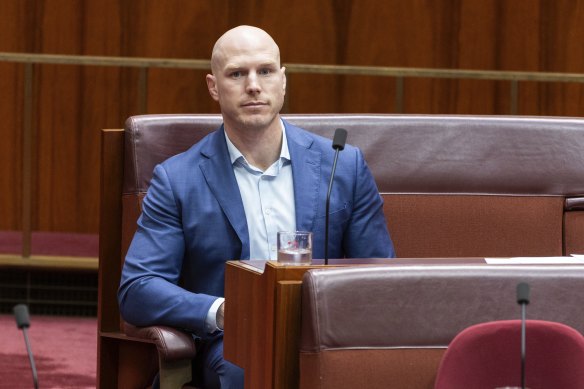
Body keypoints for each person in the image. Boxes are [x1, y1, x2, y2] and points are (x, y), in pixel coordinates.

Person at [118, 25, 395, 389]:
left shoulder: (342, 165)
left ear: (283, 81)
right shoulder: (177, 179)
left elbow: (380, 276)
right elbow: (138, 288)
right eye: (237, 73)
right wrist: (221, 312)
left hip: (329, 334)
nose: (253, 85)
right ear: (214, 87)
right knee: (249, 367)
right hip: (233, 344)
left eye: (265, 71)